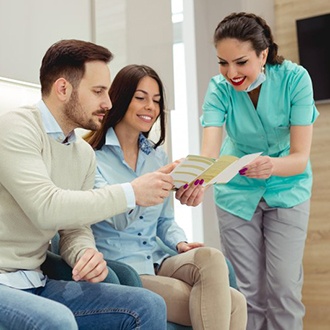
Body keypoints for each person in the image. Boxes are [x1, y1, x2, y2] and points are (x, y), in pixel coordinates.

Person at [0, 39, 176, 330]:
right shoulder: (16, 129)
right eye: (98, 92)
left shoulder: (82, 153)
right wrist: (130, 192)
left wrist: (83, 253)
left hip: (35, 281)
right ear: (63, 89)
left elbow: (74, 227)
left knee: (147, 304)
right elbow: (47, 207)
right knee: (57, 321)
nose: (108, 102)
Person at [86, 64, 248, 330]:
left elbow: (164, 221)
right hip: (124, 269)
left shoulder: (156, 156)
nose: (150, 106)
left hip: (159, 258)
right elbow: (116, 220)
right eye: (141, 98)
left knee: (212, 259)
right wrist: (145, 188)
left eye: (157, 100)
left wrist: (180, 243)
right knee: (233, 304)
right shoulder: (92, 158)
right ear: (120, 98)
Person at [200, 12, 319, 330]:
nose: (231, 73)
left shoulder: (295, 79)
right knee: (246, 294)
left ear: (263, 54)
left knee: (284, 290)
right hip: (236, 193)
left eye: (240, 62)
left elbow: (299, 157)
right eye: (223, 63)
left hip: (287, 188)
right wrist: (197, 180)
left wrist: (271, 166)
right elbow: (209, 154)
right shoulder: (218, 89)